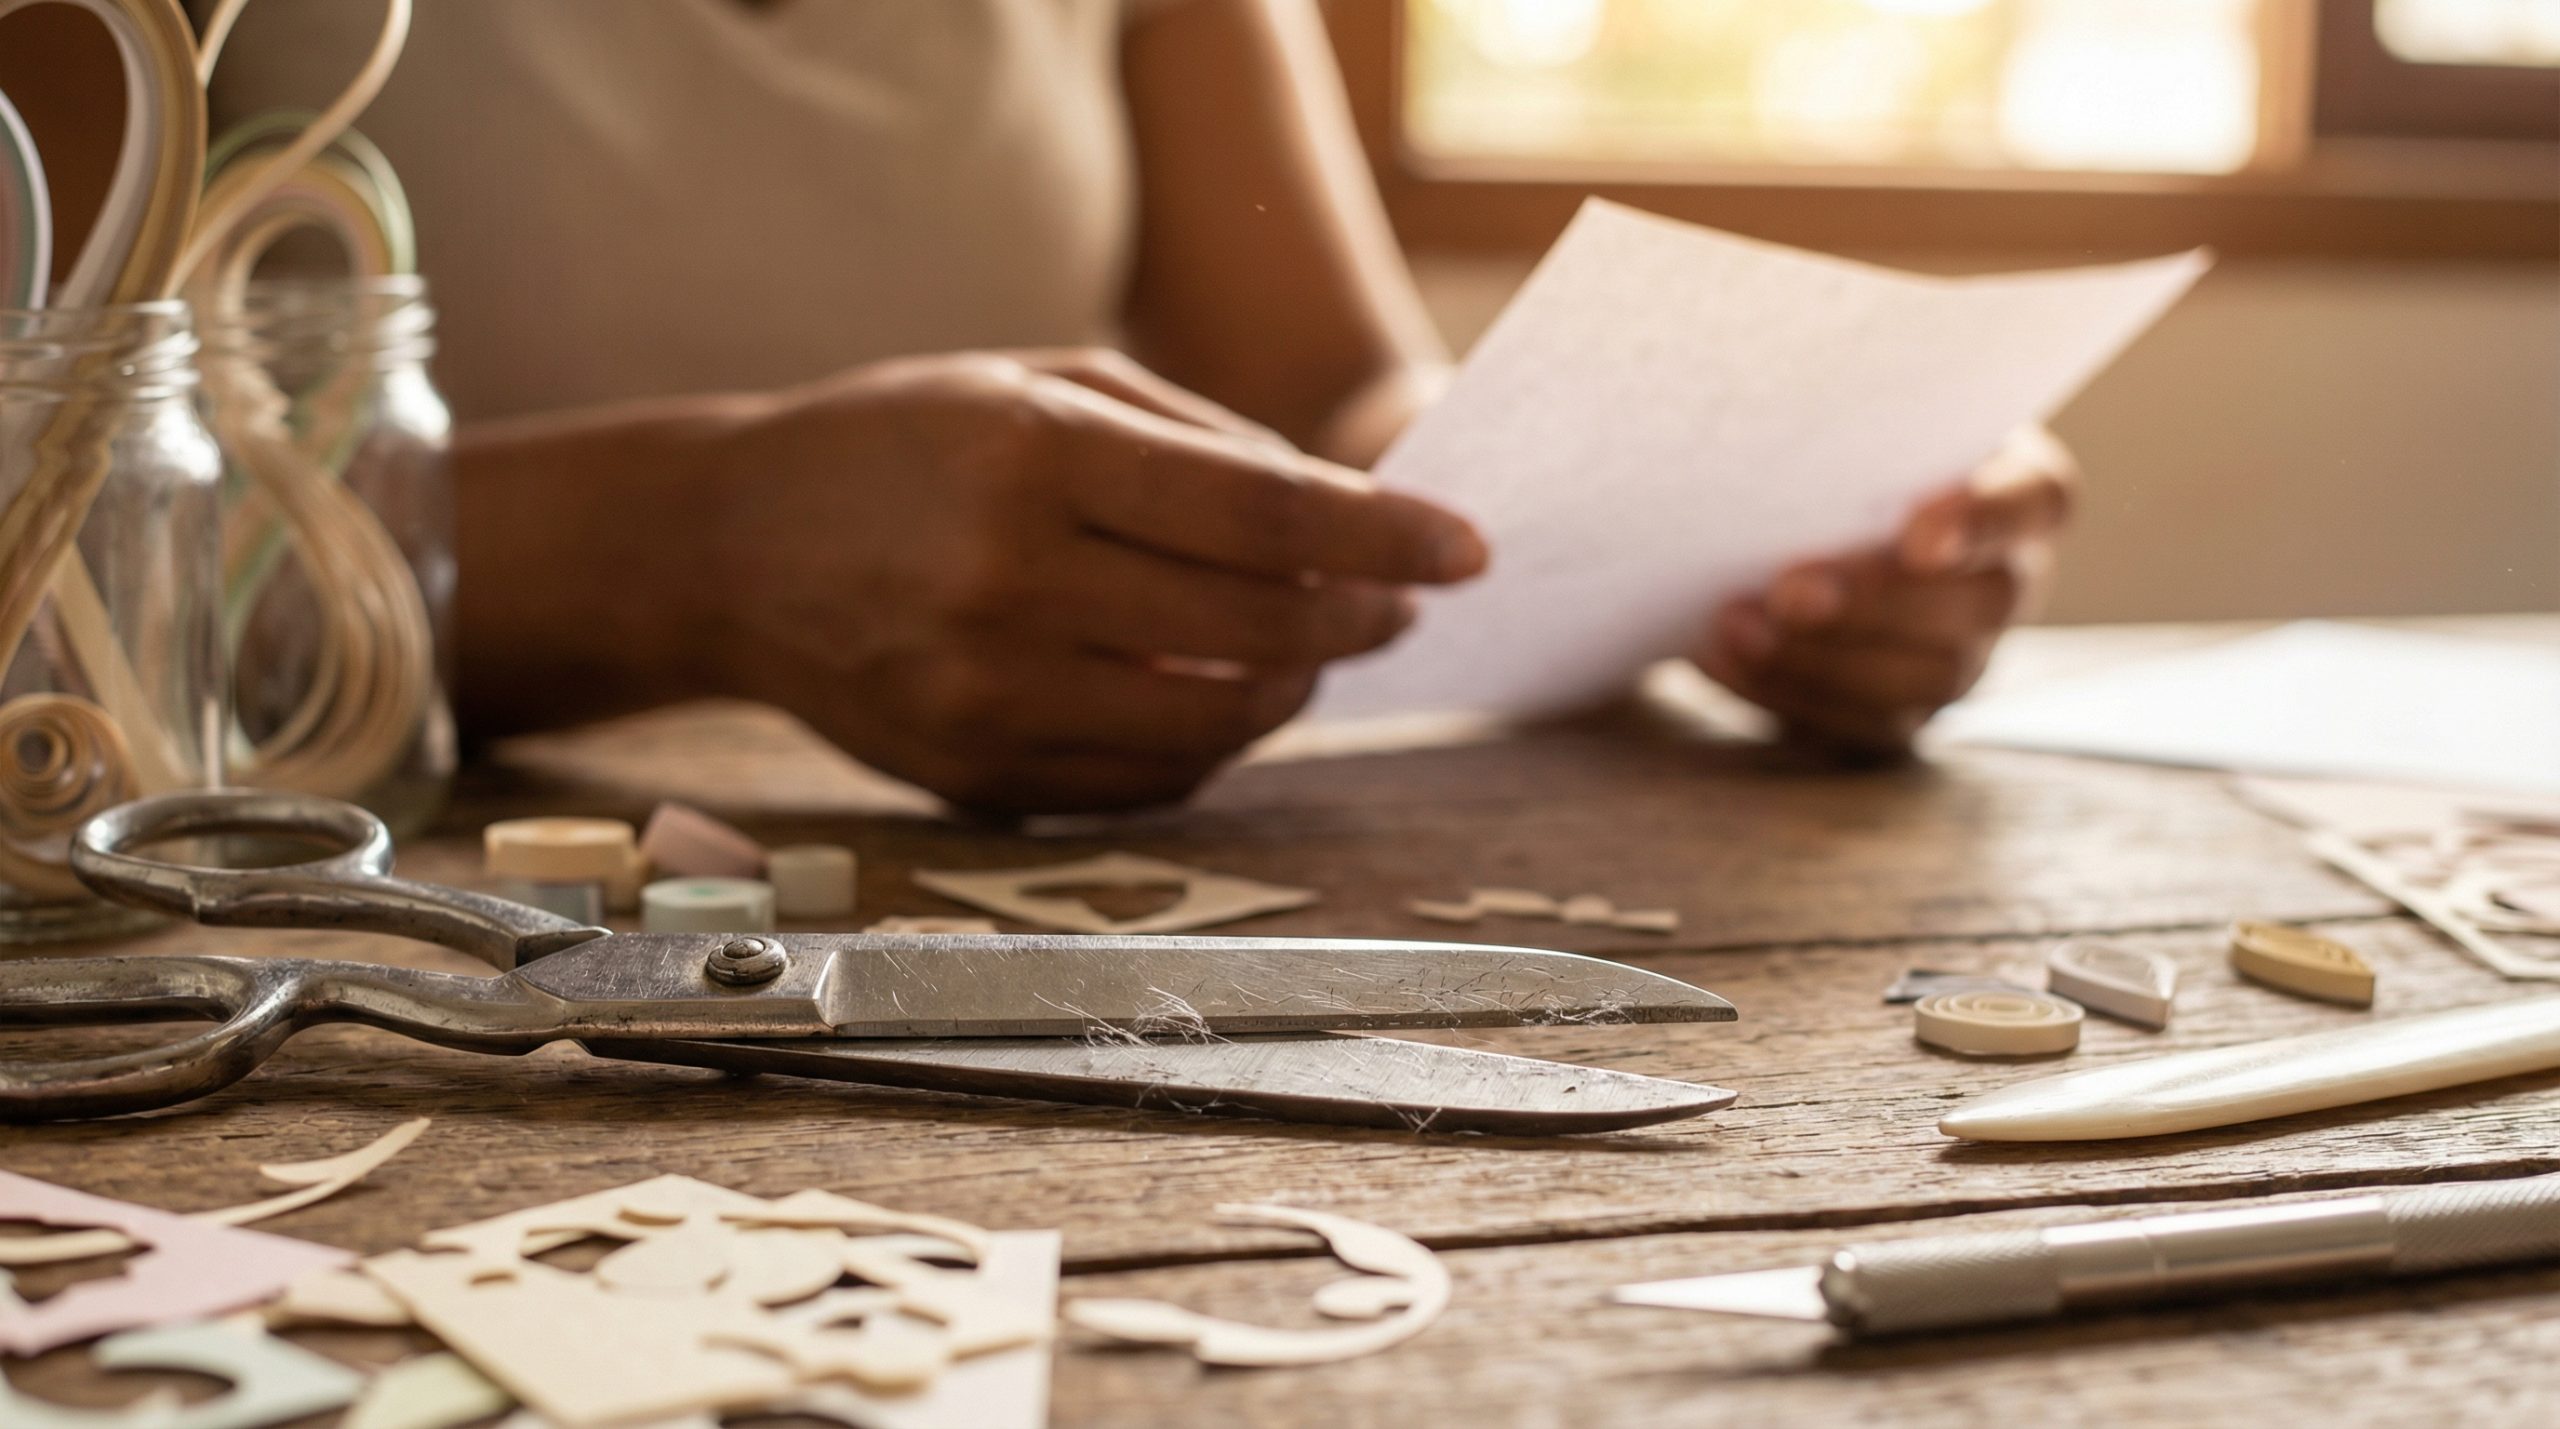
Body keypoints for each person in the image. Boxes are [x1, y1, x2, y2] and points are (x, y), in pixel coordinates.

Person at [15, 0, 2074, 813]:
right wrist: (695, 552)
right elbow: (44, 540)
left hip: (999, 894)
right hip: (385, 939)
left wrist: (1744, 522)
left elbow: (1333, 388)